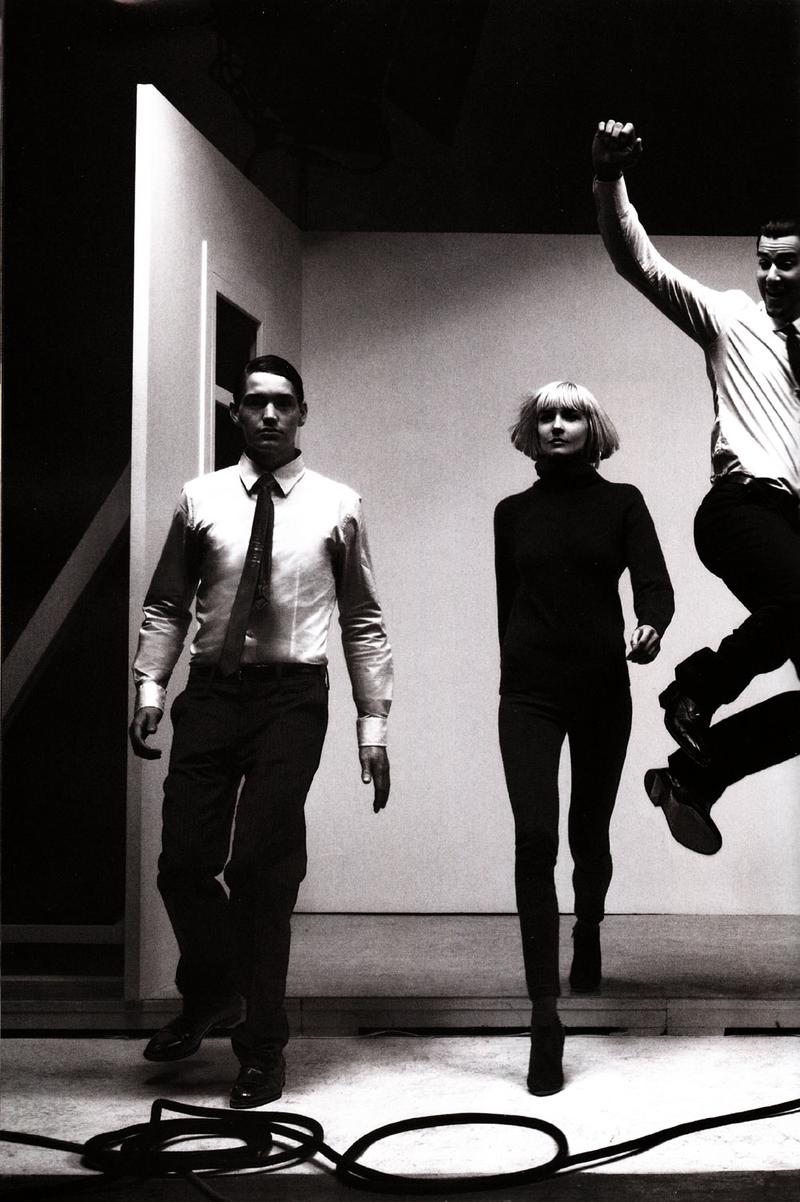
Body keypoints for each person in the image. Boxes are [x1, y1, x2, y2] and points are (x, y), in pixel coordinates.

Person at [129, 354, 393, 1108]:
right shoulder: (201, 498)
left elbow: (362, 618)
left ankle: (261, 1047)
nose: (269, 414)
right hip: (212, 693)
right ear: (236, 413)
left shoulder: (338, 505)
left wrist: (372, 724)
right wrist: (151, 684)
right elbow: (168, 602)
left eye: (283, 403)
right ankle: (214, 989)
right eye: (254, 402)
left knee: (261, 869)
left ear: (302, 413)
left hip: (291, 698)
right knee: (183, 862)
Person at [592, 119, 800, 855]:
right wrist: (609, 177)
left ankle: (692, 777)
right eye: (764, 263)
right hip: (741, 507)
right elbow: (641, 264)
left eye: (787, 265)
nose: (770, 277)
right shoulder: (733, 320)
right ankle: (695, 692)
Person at [495, 381, 674, 1095]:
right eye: (546, 415)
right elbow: (507, 605)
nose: (557, 424)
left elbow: (655, 584)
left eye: (571, 414)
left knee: (587, 832)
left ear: (592, 427)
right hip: (528, 695)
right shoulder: (511, 513)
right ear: (532, 430)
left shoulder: (622, 502)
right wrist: (514, 674)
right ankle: (545, 1017)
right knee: (534, 838)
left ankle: (589, 926)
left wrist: (650, 625)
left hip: (601, 690)